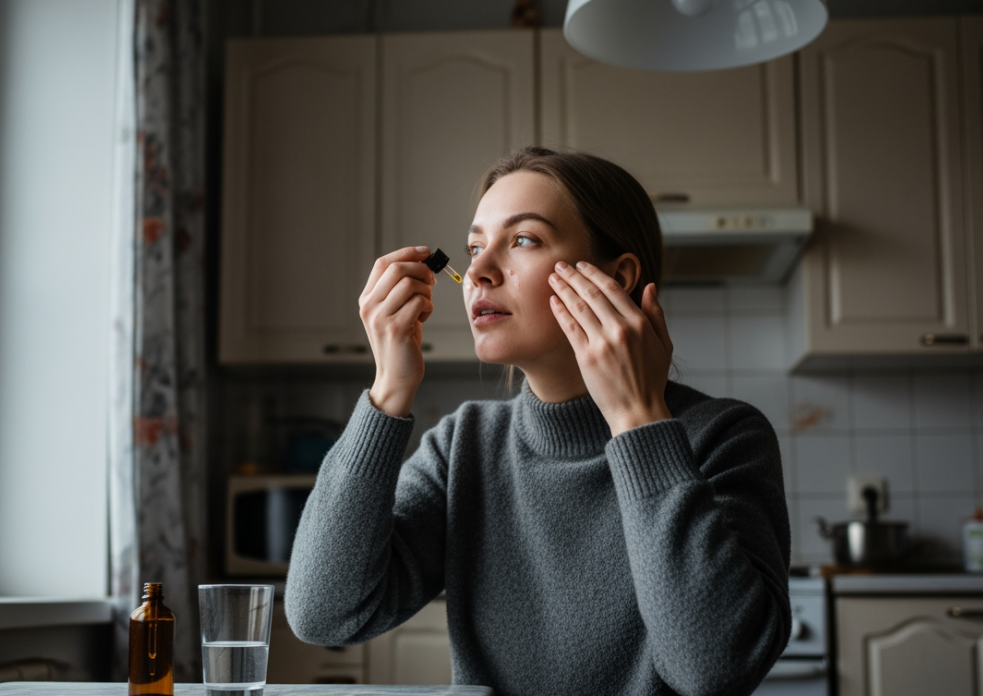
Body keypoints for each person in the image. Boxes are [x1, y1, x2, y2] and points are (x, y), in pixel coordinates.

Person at [285, 146, 791, 696]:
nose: (477, 270)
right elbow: (324, 614)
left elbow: (714, 670)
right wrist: (389, 389)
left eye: (523, 239)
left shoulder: (723, 436)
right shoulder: (464, 445)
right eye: (474, 246)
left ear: (615, 276)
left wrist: (637, 419)